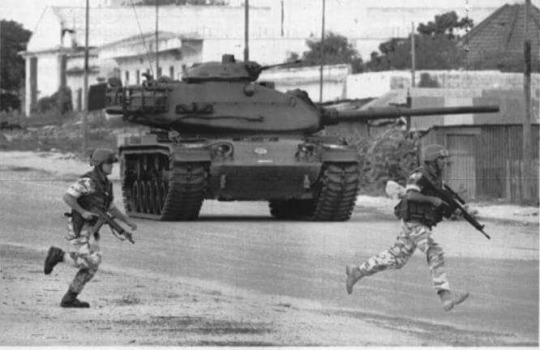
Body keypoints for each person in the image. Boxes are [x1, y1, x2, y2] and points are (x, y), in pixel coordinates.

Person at [345, 144, 470, 312]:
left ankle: (357, 272)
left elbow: (441, 201)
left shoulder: (436, 179)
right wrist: (432, 201)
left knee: (396, 259)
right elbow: (411, 194)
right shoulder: (418, 175)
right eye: (441, 159)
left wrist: (453, 211)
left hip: (419, 223)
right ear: (432, 161)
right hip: (413, 222)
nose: (444, 163)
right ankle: (445, 297)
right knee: (434, 252)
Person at [44, 148, 137, 308]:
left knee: (93, 264)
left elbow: (111, 208)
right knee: (92, 261)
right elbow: (68, 197)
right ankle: (59, 256)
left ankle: (70, 298)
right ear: (99, 165)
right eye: (108, 163)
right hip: (79, 225)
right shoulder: (87, 181)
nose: (112, 166)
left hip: (91, 228)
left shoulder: (106, 184)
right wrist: (82, 211)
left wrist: (126, 220)